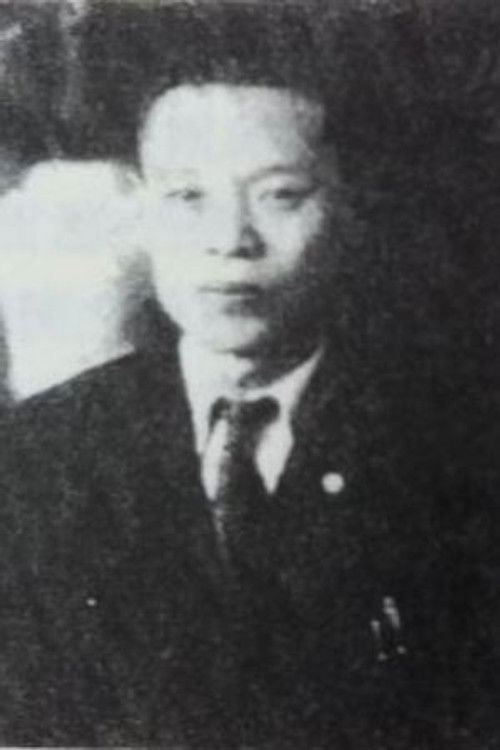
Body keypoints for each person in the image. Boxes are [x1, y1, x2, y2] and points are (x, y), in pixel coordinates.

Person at [0, 3, 497, 747]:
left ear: (348, 211)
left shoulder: (457, 449)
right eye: (188, 197)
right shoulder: (38, 454)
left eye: (279, 195)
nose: (230, 241)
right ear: (142, 213)